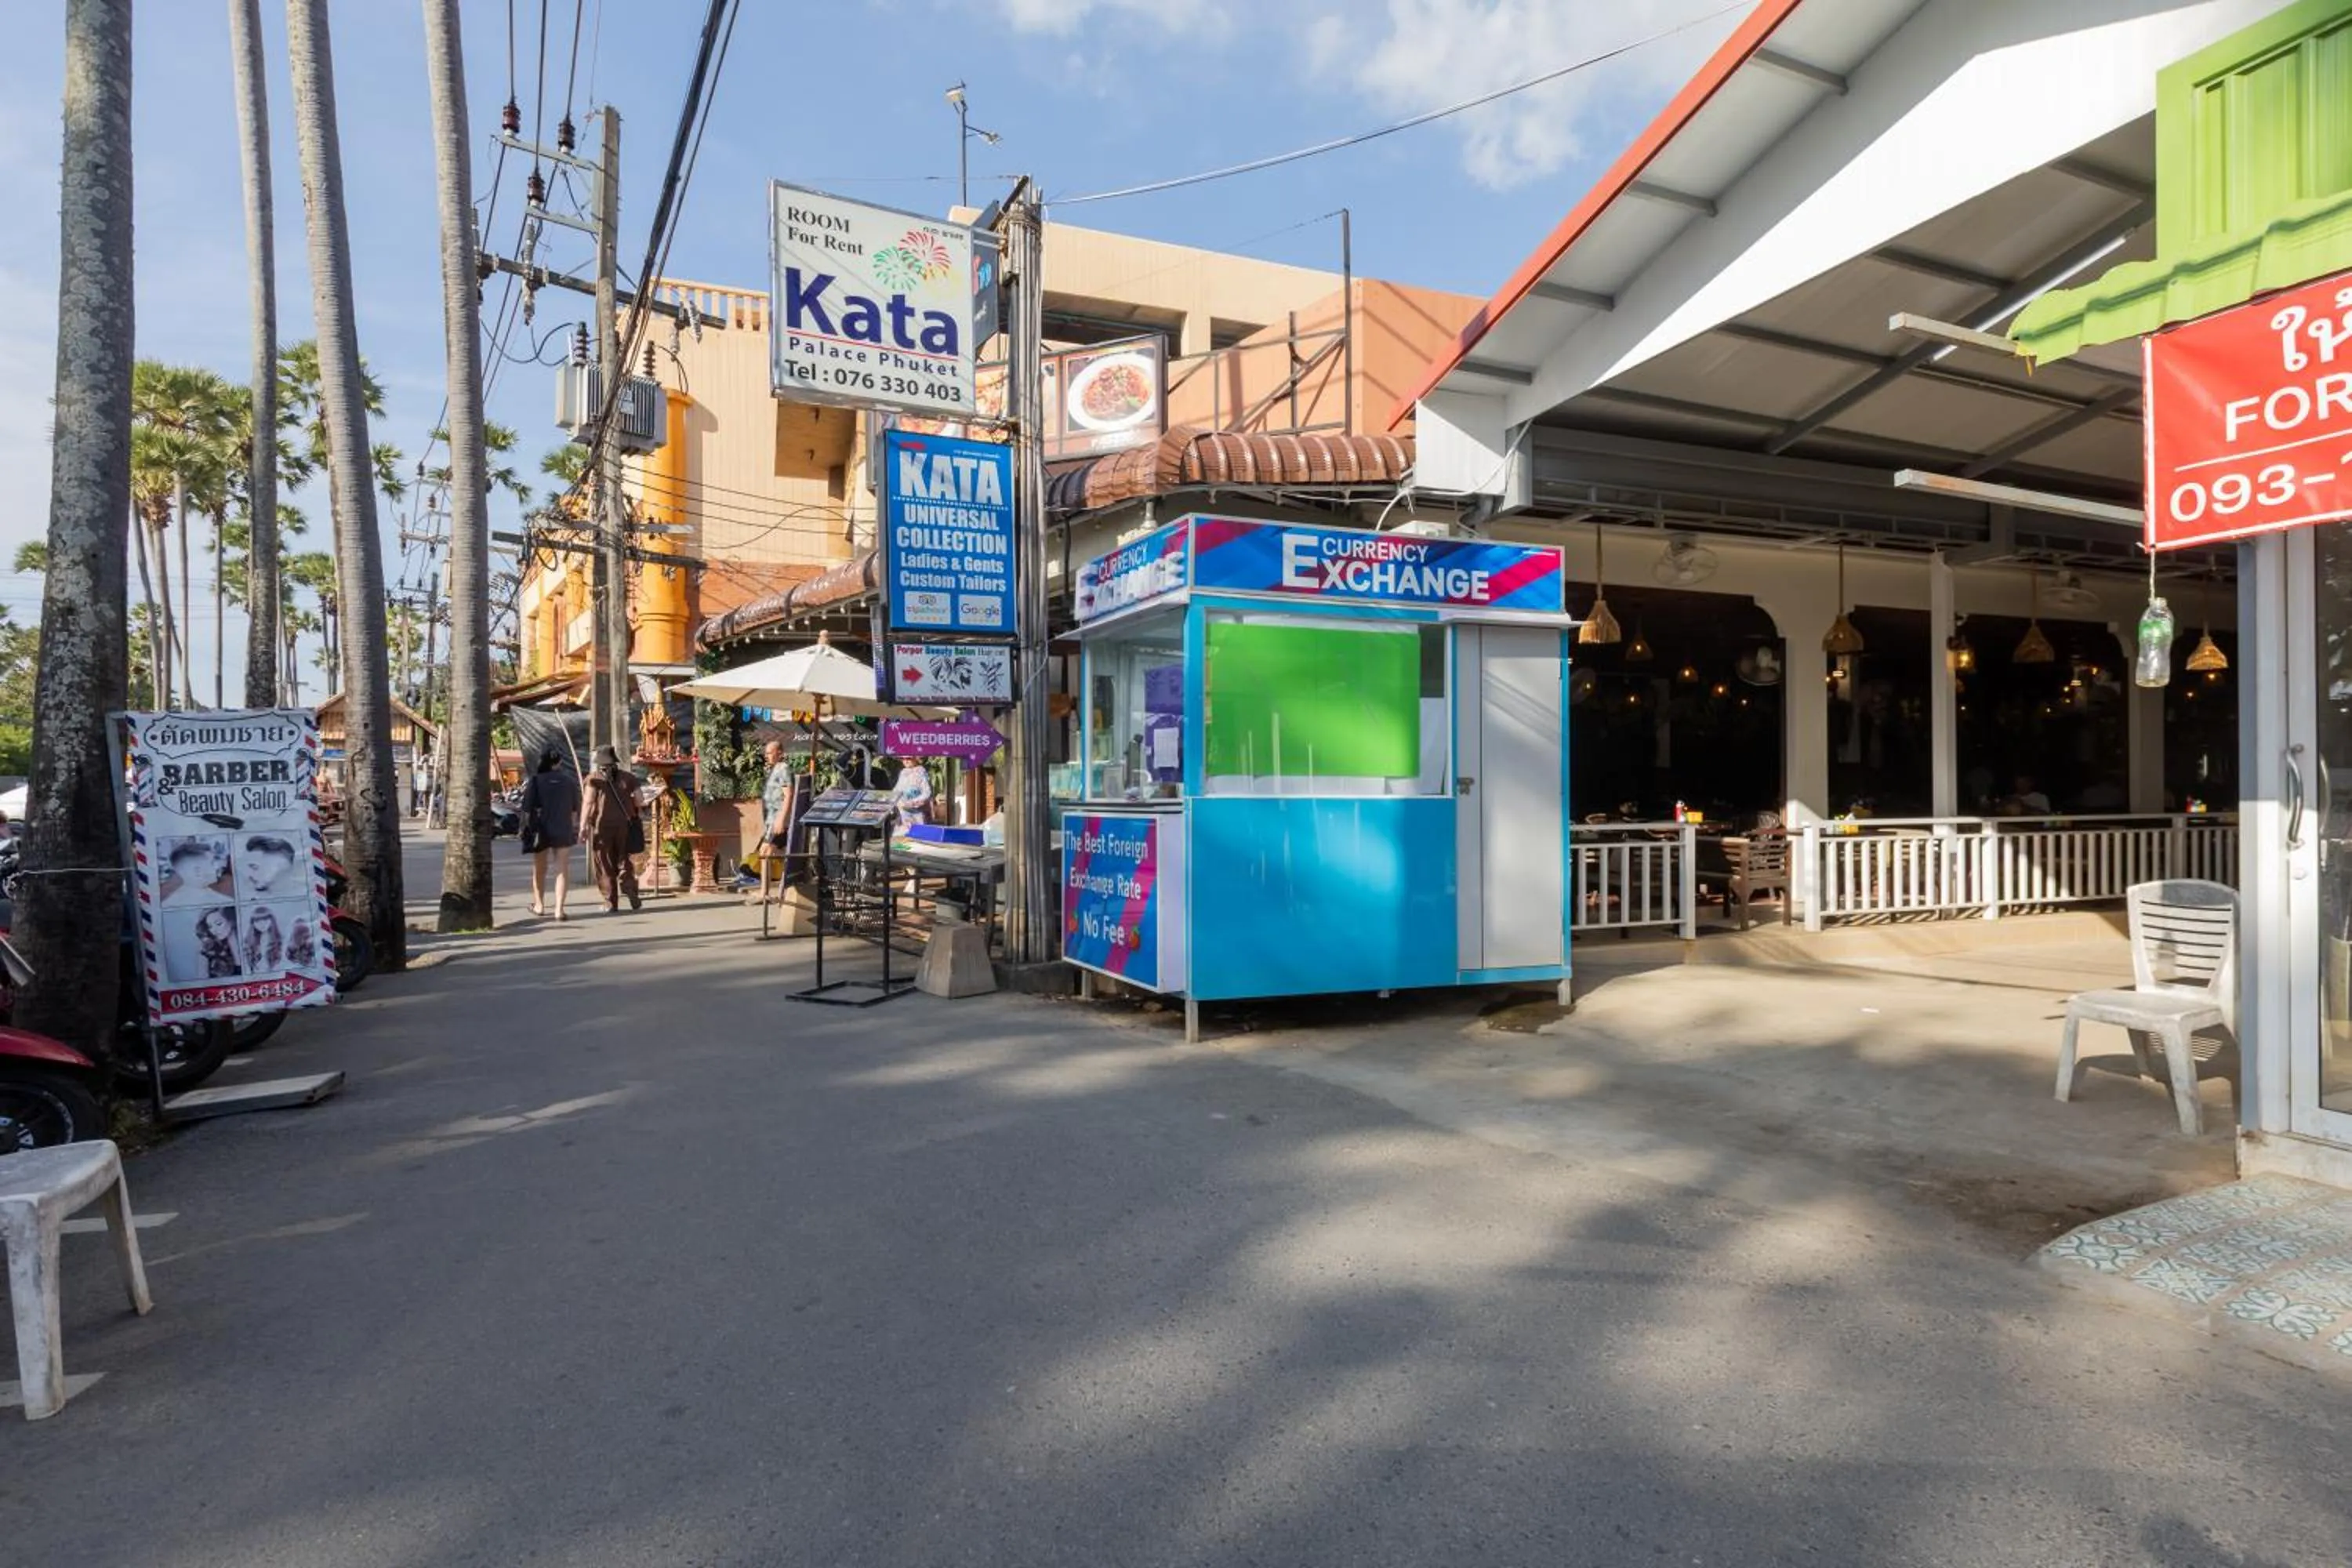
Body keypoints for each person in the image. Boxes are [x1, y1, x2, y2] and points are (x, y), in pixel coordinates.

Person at [580, 745, 644, 913]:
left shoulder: (594, 779)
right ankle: (630, 887)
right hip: (624, 825)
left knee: (604, 863)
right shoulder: (629, 778)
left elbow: (588, 803)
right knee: (624, 860)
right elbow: (639, 800)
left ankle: (610, 902)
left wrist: (582, 827)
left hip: (601, 827)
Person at [520, 747, 582, 920]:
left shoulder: (536, 781)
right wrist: (574, 826)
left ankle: (539, 905)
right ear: (559, 762)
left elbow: (526, 808)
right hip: (563, 828)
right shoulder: (569, 782)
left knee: (540, 869)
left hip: (541, 830)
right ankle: (559, 910)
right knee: (562, 869)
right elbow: (575, 809)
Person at [890, 756, 934, 832]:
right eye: (903, 759)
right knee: (904, 835)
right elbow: (897, 789)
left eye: (908, 758)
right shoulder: (903, 773)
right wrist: (895, 800)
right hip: (903, 811)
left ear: (916, 759)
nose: (906, 761)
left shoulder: (921, 772)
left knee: (919, 834)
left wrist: (913, 802)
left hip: (917, 812)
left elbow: (927, 792)